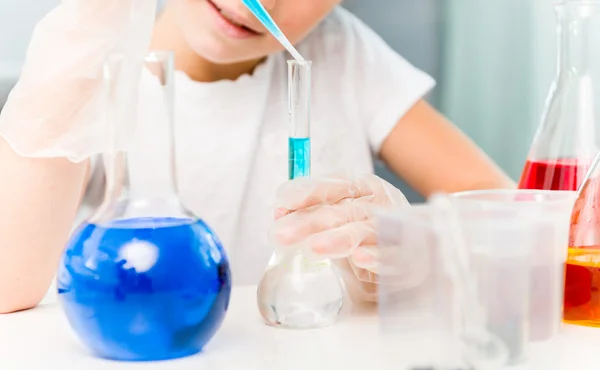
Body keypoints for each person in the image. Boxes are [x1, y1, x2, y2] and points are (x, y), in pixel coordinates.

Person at [0, 0, 513, 313]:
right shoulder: (96, 64)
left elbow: (511, 216)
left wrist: (413, 249)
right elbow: (8, 285)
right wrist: (90, 25)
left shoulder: (344, 54)